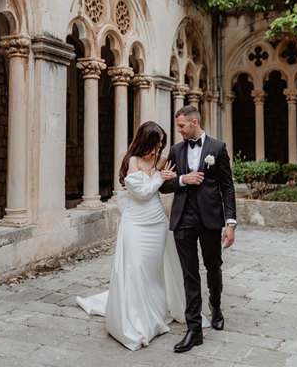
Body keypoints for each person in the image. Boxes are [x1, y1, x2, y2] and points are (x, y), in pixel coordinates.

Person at [77, 121, 190, 350]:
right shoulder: (132, 161)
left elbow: (169, 180)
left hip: (157, 222)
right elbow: (143, 193)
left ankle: (155, 312)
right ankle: (138, 319)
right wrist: (161, 177)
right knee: (135, 268)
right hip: (136, 224)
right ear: (144, 141)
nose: (158, 149)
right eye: (155, 143)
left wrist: (173, 176)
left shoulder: (159, 160)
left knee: (153, 269)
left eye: (160, 144)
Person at [159, 105, 236, 353]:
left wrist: (231, 224)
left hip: (210, 219)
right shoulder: (175, 150)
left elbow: (227, 187)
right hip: (183, 219)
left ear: (194, 122)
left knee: (213, 266)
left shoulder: (217, 148)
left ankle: (215, 305)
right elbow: (165, 186)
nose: (178, 130)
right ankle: (194, 329)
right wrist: (183, 179)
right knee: (189, 273)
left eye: (181, 126)